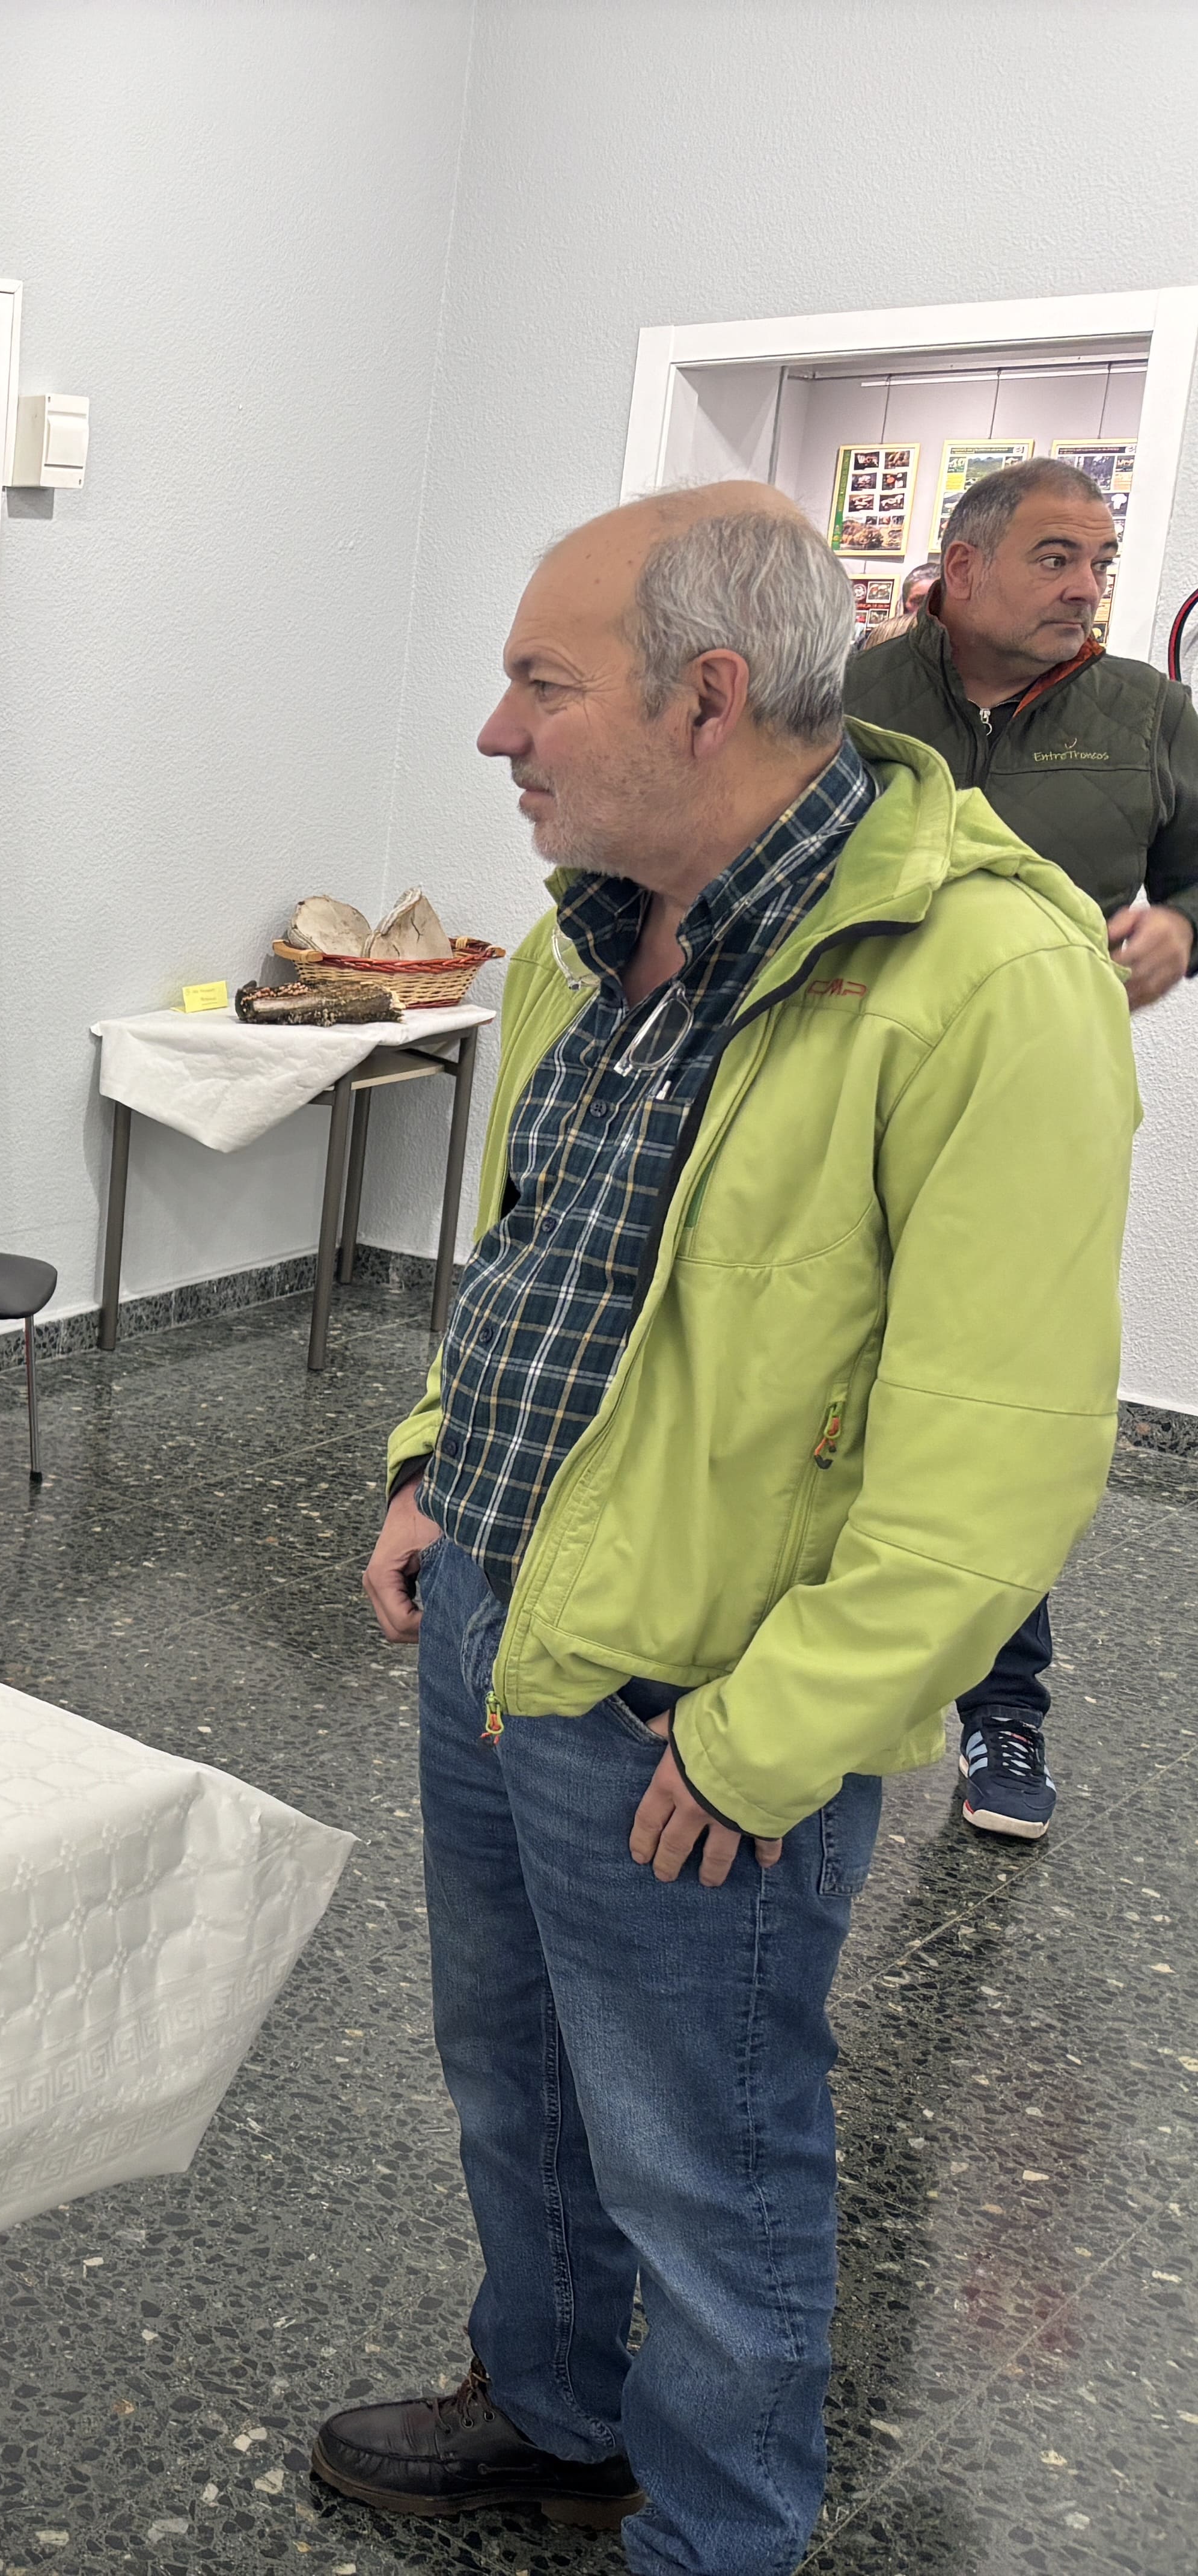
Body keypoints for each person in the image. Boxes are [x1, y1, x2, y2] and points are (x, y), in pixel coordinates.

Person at [315, 485, 1132, 2573]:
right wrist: (430, 1463)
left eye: (537, 683)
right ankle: (564, 2412)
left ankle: (719, 2530)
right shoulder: (571, 948)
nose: (497, 735)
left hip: (705, 1703)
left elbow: (1002, 1452)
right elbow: (528, 1261)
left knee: (706, 2153)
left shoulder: (980, 976)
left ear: (703, 696)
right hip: (501, 1609)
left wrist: (772, 1732)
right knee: (511, 2077)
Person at [844, 453, 1197, 1839]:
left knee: (993, 1403)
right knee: (817, 1362)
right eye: (1059, 557)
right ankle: (795, 1668)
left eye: (1103, 562)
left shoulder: (1149, 712)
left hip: (1035, 1109)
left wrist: (1182, 922)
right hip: (843, 1088)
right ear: (964, 562)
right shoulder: (854, 693)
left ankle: (1006, 1712)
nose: (1090, 588)